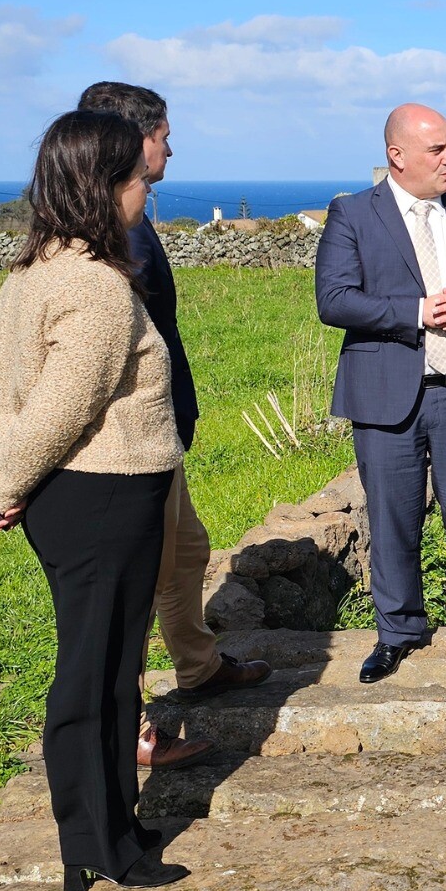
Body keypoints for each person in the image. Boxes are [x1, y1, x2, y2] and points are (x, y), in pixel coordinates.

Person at [0, 109, 190, 891]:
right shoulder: (95, 285)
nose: (144, 194)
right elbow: (64, 404)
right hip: (104, 496)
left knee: (113, 667)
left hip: (72, 497)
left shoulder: (30, 275)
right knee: (93, 673)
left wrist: (3, 479)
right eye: (135, 181)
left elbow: (1, 396)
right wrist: (4, 487)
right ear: (104, 187)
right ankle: (95, 846)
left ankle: (117, 823)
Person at [75, 82, 271, 772]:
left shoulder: (130, 214)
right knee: (131, 580)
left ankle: (197, 665)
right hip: (127, 443)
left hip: (158, 431)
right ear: (131, 140)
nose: (170, 145)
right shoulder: (106, 228)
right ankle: (129, 727)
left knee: (186, 550)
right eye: (163, 133)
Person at [315, 103, 446, 684]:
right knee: (390, 521)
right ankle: (399, 631)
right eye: (437, 150)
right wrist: (416, 312)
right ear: (398, 156)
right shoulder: (352, 214)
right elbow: (333, 300)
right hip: (386, 395)